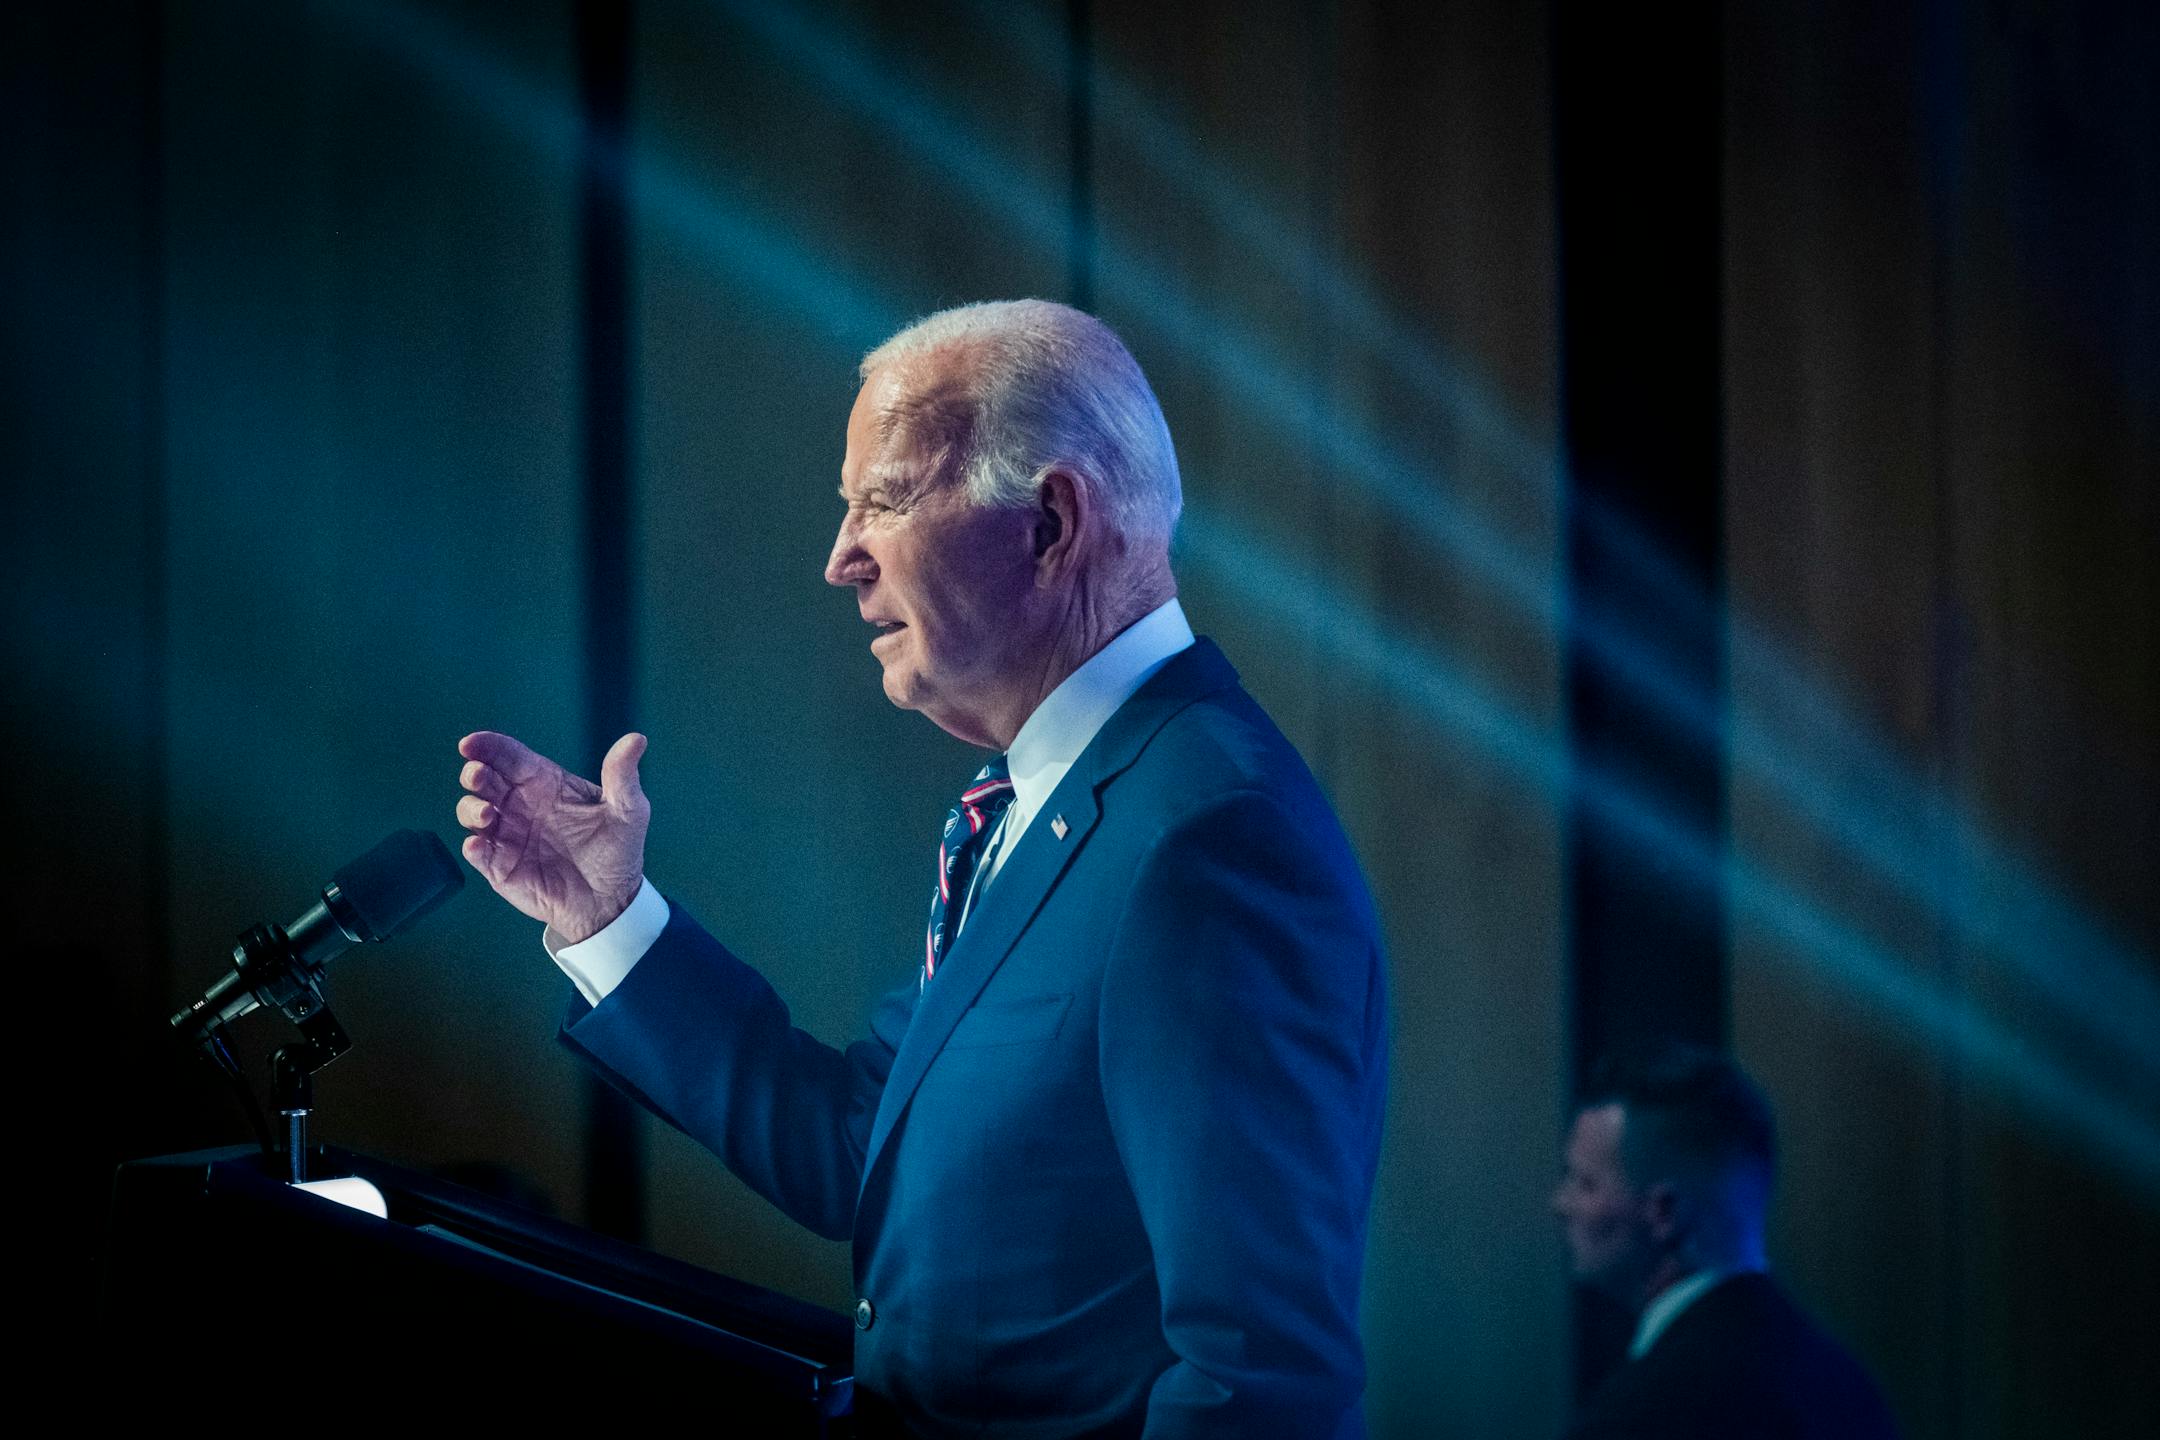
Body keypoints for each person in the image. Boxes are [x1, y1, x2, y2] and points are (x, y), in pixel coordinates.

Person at [455, 300, 1387, 1437]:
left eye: (883, 501)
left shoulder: (1209, 839)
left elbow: (1258, 1376)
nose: (840, 558)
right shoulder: (1034, 803)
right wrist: (611, 918)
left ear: (1049, 524)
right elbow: (862, 1147)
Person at [1551, 1044, 1900, 1439]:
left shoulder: (1642, 1414)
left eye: (1584, 1183)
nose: (1560, 1204)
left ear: (1663, 1213)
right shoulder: (1843, 1383)